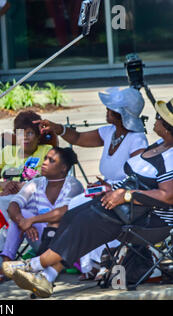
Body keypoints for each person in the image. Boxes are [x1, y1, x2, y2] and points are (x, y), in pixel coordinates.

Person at [2, 103, 173, 298]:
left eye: (160, 117)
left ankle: (33, 265)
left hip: (149, 218)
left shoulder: (170, 157)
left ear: (167, 126)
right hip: (125, 207)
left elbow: (168, 196)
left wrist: (124, 195)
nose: (156, 119)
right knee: (71, 216)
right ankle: (47, 276)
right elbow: (138, 180)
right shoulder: (159, 146)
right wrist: (112, 189)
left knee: (86, 222)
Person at [37, 87, 148, 280]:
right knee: (74, 205)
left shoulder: (137, 139)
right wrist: (58, 128)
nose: (106, 111)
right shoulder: (109, 132)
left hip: (122, 196)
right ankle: (82, 265)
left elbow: (138, 177)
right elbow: (78, 138)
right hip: (104, 192)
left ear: (120, 115)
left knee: (81, 208)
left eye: (110, 109)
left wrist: (112, 188)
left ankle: (91, 264)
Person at [0, 110, 53, 280]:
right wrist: (3, 184)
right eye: (21, 134)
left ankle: (1, 262)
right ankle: (2, 261)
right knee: (1, 202)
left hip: (34, 204)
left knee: (4, 203)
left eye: (30, 133)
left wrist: (25, 186)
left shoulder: (47, 151)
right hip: (6, 204)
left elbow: (52, 180)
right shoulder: (8, 153)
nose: (26, 138)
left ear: (38, 136)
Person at [0, 147, 84, 284]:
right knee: (20, 214)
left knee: (46, 219)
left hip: (65, 242)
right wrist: (22, 222)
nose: (44, 163)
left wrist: (31, 220)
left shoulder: (73, 184)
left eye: (51, 160)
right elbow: (13, 205)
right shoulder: (35, 183)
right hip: (40, 237)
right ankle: (7, 264)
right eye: (45, 158)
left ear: (63, 168)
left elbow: (63, 212)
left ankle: (43, 267)